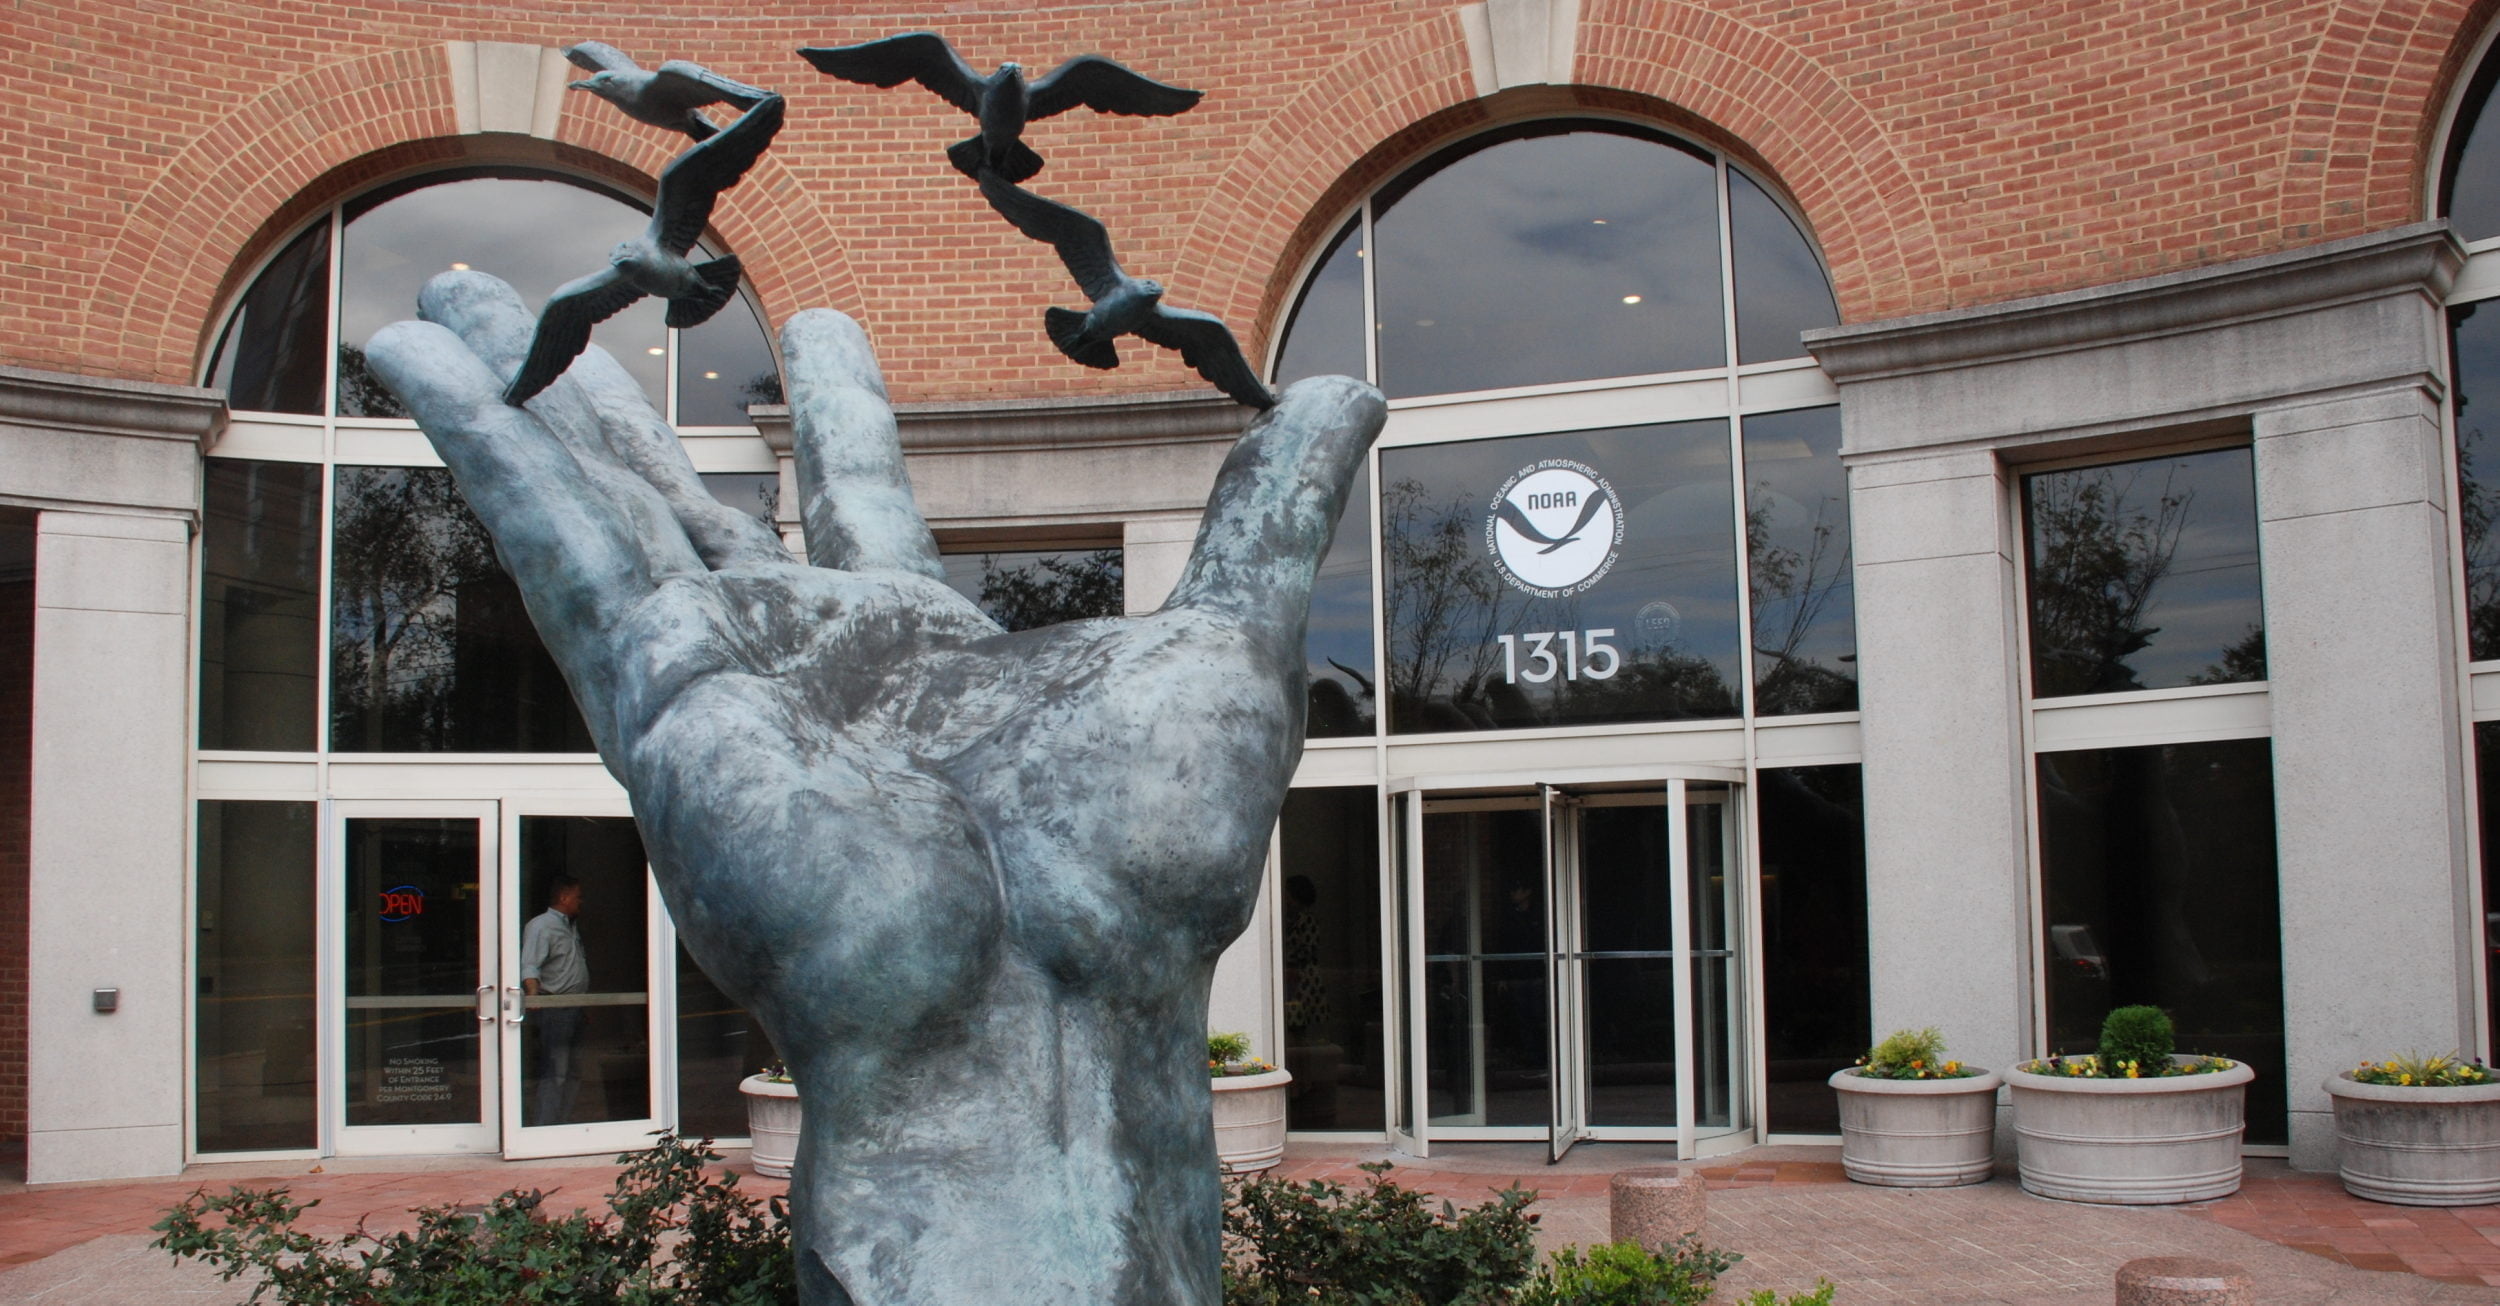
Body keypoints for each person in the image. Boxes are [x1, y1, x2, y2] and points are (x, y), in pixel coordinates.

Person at [520, 872, 587, 1125]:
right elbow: (529, 965)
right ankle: (545, 1127)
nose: (581, 902)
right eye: (578, 897)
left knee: (572, 1072)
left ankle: (561, 1123)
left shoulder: (569, 925)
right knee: (556, 1071)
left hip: (574, 1007)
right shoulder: (541, 926)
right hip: (556, 1009)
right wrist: (534, 997)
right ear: (564, 896)